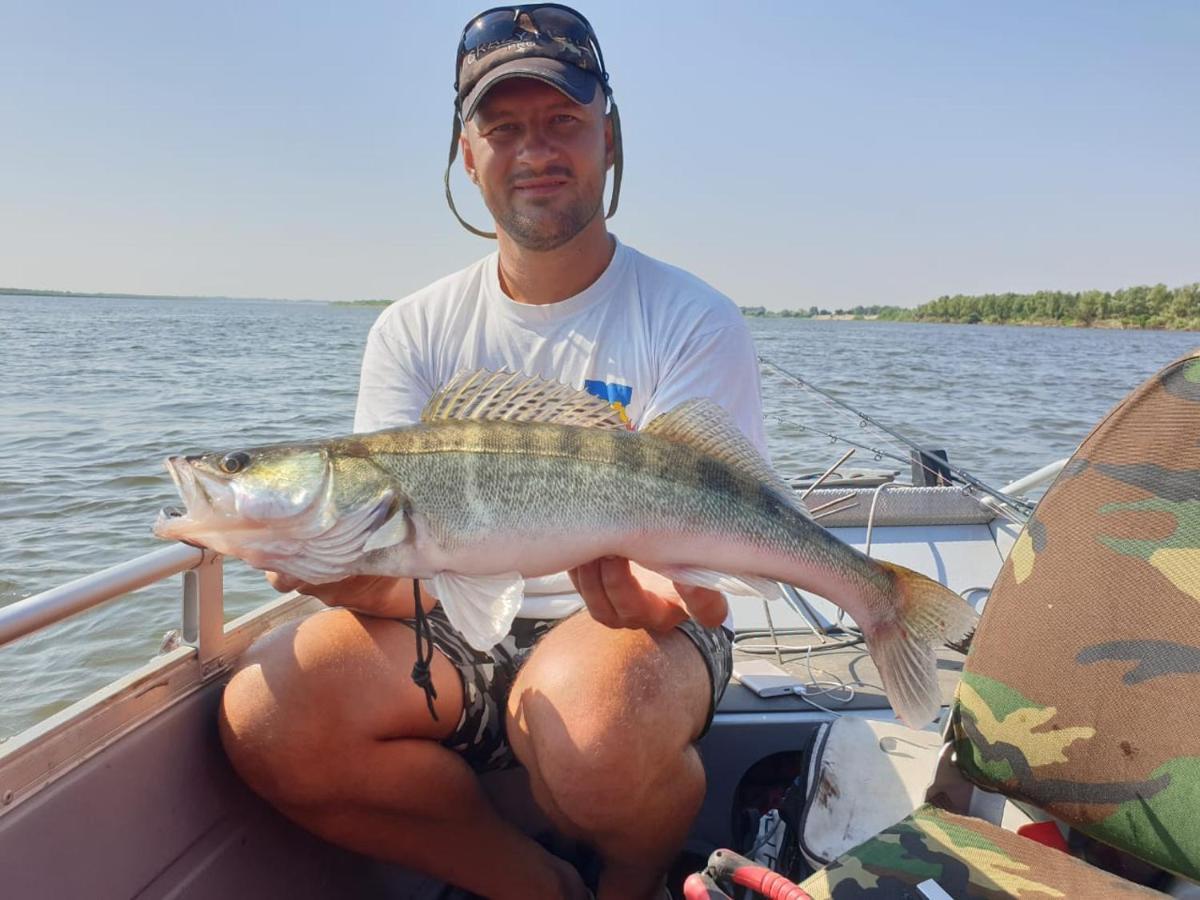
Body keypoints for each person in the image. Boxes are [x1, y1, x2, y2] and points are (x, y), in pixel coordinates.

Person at [219, 6, 767, 899]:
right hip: (458, 620)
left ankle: (633, 882)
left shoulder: (691, 318)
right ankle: (533, 886)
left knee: (592, 730)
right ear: (466, 155)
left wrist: (658, 598)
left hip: (640, 627)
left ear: (610, 137)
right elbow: (412, 574)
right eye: (501, 127)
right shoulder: (411, 331)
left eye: (563, 122)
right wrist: (326, 568)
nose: (534, 151)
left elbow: (696, 587)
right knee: (268, 716)